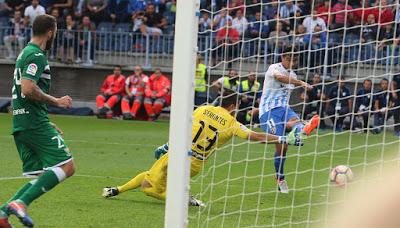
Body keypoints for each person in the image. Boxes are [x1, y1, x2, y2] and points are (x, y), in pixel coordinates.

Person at [102, 91, 305, 205]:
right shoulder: (232, 123)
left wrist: (168, 145)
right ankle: (116, 190)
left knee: (148, 187)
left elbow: (185, 127)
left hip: (179, 154)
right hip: (196, 164)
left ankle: (185, 200)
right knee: (149, 176)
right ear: (233, 106)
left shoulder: (203, 109)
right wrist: (282, 138)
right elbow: (256, 136)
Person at [0, 14, 75, 228]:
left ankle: (3, 213)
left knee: (45, 174)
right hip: (32, 123)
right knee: (67, 166)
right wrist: (56, 101)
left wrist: (44, 119)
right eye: (56, 31)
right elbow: (27, 88)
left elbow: (17, 91)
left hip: (25, 122)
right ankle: (21, 202)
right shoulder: (36, 55)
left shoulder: (25, 53)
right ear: (50, 32)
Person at [259, 46, 320, 194]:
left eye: (294, 60)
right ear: (282, 58)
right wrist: (300, 83)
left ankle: (301, 131)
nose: (292, 62)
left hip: (284, 109)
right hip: (268, 111)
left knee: (295, 121)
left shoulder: (293, 74)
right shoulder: (274, 67)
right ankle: (280, 177)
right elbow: (279, 78)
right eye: (289, 59)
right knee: (282, 146)